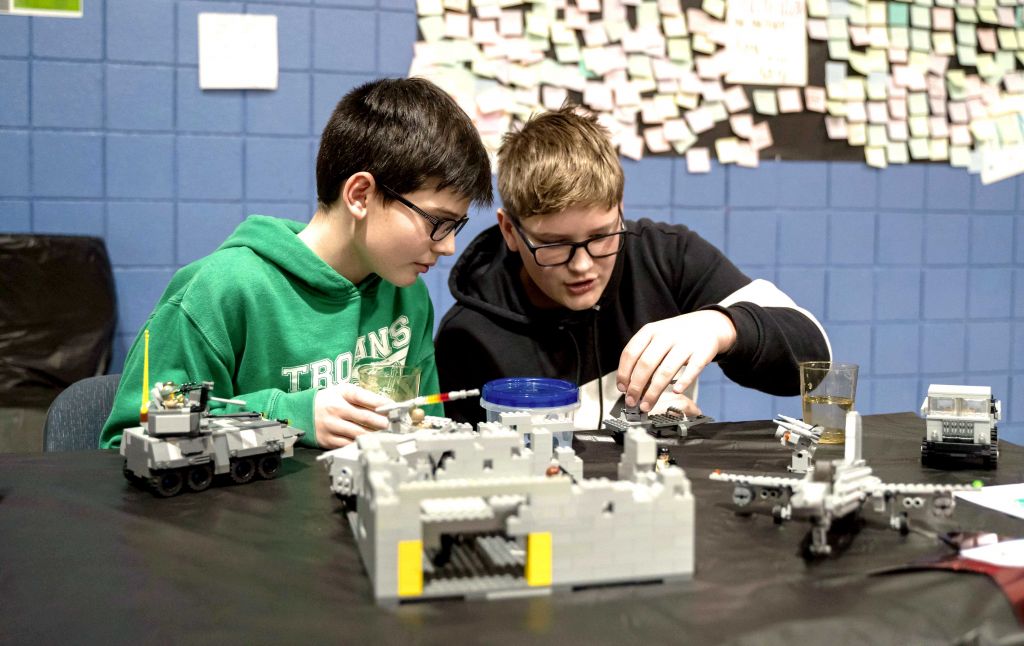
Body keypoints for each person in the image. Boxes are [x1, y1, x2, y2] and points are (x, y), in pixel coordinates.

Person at [100, 77, 492, 449]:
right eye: (437, 222)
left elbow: (423, 433)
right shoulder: (220, 292)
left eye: (456, 226)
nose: (449, 248)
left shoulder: (408, 297)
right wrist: (287, 415)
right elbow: (126, 441)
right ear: (360, 195)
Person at [434, 106, 830, 428]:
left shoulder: (666, 257)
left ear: (620, 210)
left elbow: (813, 360)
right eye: (555, 245)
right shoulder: (469, 337)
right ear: (510, 231)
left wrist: (721, 326)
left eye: (603, 235)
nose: (583, 265)